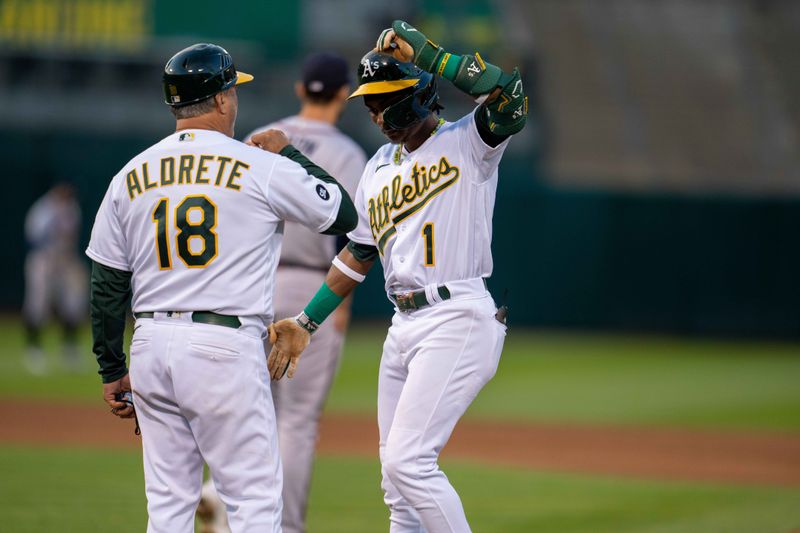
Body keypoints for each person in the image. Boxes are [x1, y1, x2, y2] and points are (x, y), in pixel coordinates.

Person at [266, 20, 527, 532]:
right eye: (369, 101)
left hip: (457, 315)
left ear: (416, 94)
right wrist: (307, 321)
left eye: (384, 98)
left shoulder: (468, 142)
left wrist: (431, 55)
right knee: (398, 489)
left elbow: (510, 96)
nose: (374, 111)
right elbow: (356, 255)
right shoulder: (379, 165)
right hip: (402, 326)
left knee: (408, 464)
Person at [86, 42, 356, 533]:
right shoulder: (258, 165)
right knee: (253, 501)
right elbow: (342, 212)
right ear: (222, 100)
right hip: (222, 345)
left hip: (149, 345)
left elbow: (107, 282)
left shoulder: (130, 174)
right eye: (233, 89)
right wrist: (289, 151)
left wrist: (111, 367)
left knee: (167, 506)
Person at [197, 52, 367, 533]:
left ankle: (219, 497)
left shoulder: (263, 134)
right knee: (297, 422)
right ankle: (284, 527)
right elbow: (357, 236)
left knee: (248, 408)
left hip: (252, 283)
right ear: (341, 95)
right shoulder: (350, 153)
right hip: (316, 283)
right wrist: (341, 306)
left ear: (299, 89)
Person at [23, 182, 88, 374]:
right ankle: (33, 349)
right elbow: (33, 236)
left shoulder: (72, 208)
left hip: (66, 258)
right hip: (43, 258)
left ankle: (69, 348)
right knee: (37, 303)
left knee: (74, 301)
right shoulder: (43, 209)